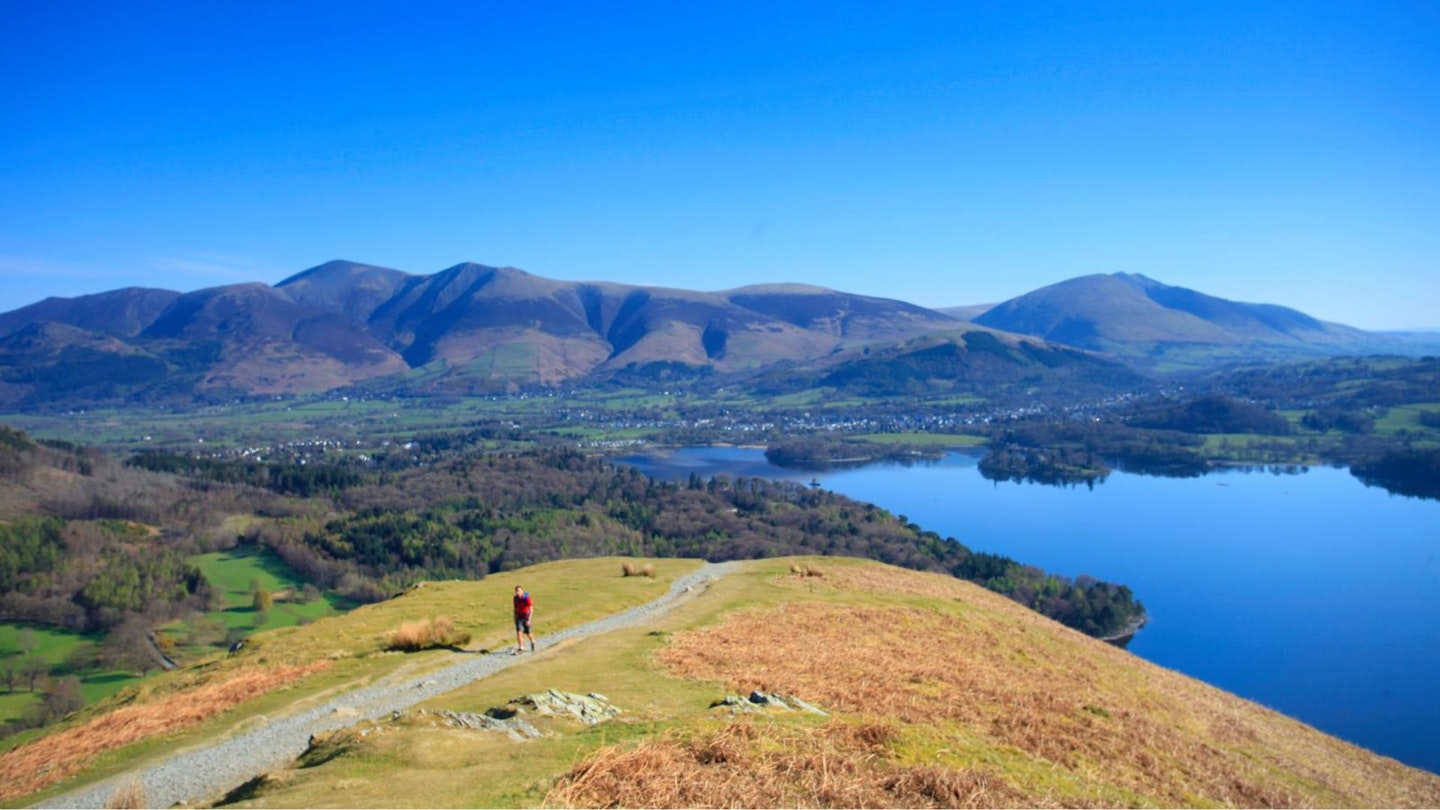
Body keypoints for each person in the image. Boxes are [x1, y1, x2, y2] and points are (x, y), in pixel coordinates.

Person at [513, 585, 535, 653]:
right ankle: (521, 647)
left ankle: (532, 641)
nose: (517, 592)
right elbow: (515, 609)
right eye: (516, 591)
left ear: (522, 591)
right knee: (519, 632)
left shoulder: (527, 598)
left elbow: (531, 609)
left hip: (526, 616)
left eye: (519, 591)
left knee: (528, 633)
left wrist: (529, 619)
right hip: (519, 616)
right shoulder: (515, 598)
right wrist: (515, 618)